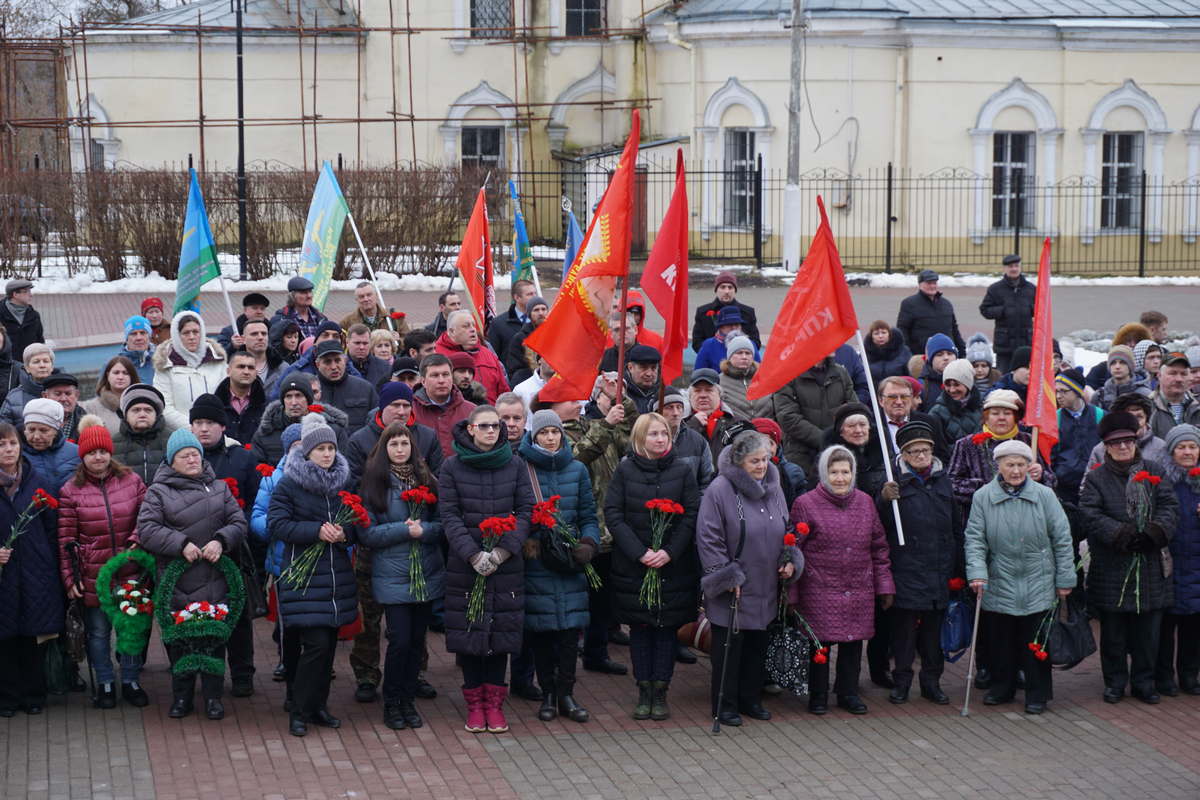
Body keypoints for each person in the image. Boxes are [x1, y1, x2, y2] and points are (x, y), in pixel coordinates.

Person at [138, 428, 246, 721]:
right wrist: (181, 544)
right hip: (177, 581)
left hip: (214, 578)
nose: (192, 459)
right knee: (179, 641)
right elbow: (147, 529)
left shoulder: (219, 488)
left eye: (195, 454)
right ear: (172, 460)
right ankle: (182, 697)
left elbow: (238, 522)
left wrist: (221, 541)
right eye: (185, 455)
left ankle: (213, 697)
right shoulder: (158, 491)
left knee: (214, 638)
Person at [439, 405, 534, 735]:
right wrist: (472, 555)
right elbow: (449, 516)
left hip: (504, 565)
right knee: (471, 631)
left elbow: (525, 511)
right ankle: (474, 705)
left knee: (501, 632)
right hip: (466, 566)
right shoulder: (452, 467)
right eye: (485, 426)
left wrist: (502, 551)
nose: (492, 431)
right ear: (471, 429)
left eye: (496, 426)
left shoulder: (515, 464)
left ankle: (494, 704)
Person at [697, 431, 802, 726]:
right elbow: (709, 537)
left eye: (766, 459)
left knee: (758, 644)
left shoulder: (774, 486)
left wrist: (789, 559)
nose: (762, 466)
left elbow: (787, 528)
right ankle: (725, 704)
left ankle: (750, 698)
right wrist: (726, 576)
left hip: (766, 582)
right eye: (755, 461)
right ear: (739, 461)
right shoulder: (719, 490)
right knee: (730, 648)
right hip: (736, 585)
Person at [964, 439, 1075, 714]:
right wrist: (977, 573)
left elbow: (1062, 538)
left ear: (1029, 466)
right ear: (998, 466)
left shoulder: (1045, 495)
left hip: (1038, 579)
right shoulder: (983, 497)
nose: (1015, 471)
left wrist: (1065, 579)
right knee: (1001, 642)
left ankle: (1037, 694)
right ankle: (1002, 688)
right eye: (1010, 465)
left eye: (1021, 465)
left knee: (1035, 642)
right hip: (999, 578)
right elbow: (975, 539)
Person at [605, 412, 700, 720]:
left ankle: (661, 690)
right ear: (640, 438)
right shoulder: (625, 470)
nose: (660, 439)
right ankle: (643, 689)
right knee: (641, 627)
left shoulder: (682, 471)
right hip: (635, 565)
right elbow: (614, 514)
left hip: (672, 566)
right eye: (653, 434)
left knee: (666, 628)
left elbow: (691, 514)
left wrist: (669, 552)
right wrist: (640, 552)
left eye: (664, 434)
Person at [270, 413, 358, 736]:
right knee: (316, 646)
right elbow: (277, 524)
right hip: (303, 577)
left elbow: (358, 522)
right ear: (307, 453)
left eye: (331, 448)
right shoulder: (290, 484)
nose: (326, 454)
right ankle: (298, 709)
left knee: (329, 647)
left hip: (335, 578)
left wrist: (344, 533)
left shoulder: (343, 483)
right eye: (320, 449)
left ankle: (319, 706)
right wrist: (316, 531)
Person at [1081, 411, 1178, 705]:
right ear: (1106, 446)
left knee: (1147, 634)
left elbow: (1170, 507)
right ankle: (1114, 683)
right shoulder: (1096, 478)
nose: (1123, 447)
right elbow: (1089, 513)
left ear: (1136, 441)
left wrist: (1152, 533)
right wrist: (1121, 534)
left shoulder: (1154, 471)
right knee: (1113, 634)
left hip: (1149, 564)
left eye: (1128, 441)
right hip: (1113, 565)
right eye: (1116, 442)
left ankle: (1143, 683)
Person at [789, 445, 895, 715]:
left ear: (853, 473)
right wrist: (792, 593)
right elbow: (793, 551)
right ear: (823, 473)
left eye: (845, 472)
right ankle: (818, 694)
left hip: (858, 587)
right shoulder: (806, 504)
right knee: (819, 644)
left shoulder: (865, 502)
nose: (840, 478)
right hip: (818, 587)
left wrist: (884, 585)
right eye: (833, 472)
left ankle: (848, 693)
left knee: (852, 643)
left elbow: (879, 547)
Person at [57, 423, 148, 709]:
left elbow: (146, 516)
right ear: (82, 456)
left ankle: (131, 680)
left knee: (130, 629)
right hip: (94, 575)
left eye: (102, 451)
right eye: (91, 453)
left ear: (110, 452)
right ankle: (106, 682)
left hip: (130, 572)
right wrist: (70, 579)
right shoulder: (70, 491)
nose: (98, 457)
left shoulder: (131, 481)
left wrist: (137, 540)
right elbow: (66, 539)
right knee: (98, 633)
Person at [358, 422, 443, 730]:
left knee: (417, 641)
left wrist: (425, 530)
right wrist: (404, 530)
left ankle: (408, 700)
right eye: (393, 444)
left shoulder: (427, 479)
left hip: (425, 572)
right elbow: (367, 533)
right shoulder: (373, 483)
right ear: (384, 448)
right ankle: (392, 701)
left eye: (404, 443)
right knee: (400, 640)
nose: (399, 449)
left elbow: (442, 525)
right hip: (391, 575)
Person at [519, 410, 600, 723]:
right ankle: (548, 694)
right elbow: (517, 513)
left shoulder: (577, 469)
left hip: (570, 561)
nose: (550, 438)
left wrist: (588, 543)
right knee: (542, 632)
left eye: (555, 432)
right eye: (544, 433)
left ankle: (566, 693)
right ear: (534, 436)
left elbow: (589, 515)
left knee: (569, 633)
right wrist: (530, 542)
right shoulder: (522, 468)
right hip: (538, 562)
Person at [878, 422, 960, 705]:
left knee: (932, 636)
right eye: (914, 451)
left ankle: (931, 683)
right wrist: (883, 501)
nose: (921, 456)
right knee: (903, 635)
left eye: (925, 450)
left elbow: (955, 527)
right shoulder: (892, 483)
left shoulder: (943, 481)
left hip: (938, 570)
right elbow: (880, 527)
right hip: (906, 571)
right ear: (903, 455)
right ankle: (901, 683)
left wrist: (957, 568)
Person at [189, 393, 261, 696]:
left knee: (239, 615)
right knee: (201, 613)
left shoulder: (242, 458)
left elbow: (256, 504)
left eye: (210, 423)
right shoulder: (182, 460)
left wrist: (231, 531)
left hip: (234, 551)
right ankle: (208, 672)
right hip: (194, 554)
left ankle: (243, 673)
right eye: (198, 423)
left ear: (223, 426)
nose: (204, 429)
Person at [0, 419, 62, 717]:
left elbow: (52, 529)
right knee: (5, 639)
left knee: (32, 637)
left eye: (12, 443)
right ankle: (8, 697)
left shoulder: (38, 481)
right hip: (4, 576)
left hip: (36, 571)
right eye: (1, 445)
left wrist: (51, 566)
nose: (8, 449)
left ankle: (34, 694)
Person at [1156, 424, 1200, 695]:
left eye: (1193, 446)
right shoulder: (1161, 481)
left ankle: (1189, 675)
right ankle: (1163, 676)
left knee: (1193, 626)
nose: (1187, 452)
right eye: (1181, 447)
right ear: (1171, 452)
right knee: (1165, 626)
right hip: (1168, 563)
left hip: (1196, 565)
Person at [770, 355, 855, 477]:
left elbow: (853, 410)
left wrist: (839, 438)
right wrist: (825, 439)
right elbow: (787, 417)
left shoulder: (840, 372)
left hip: (838, 452)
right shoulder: (787, 375)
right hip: (802, 455)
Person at [346, 381, 442, 480]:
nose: (401, 412)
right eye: (395, 405)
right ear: (382, 407)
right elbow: (355, 482)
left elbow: (438, 477)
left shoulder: (428, 437)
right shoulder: (359, 441)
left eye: (406, 406)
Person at [154, 310, 229, 430]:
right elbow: (165, 407)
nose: (192, 337)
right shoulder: (165, 365)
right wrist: (194, 428)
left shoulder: (218, 361)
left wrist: (214, 426)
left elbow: (228, 400)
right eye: (186, 333)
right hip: (181, 433)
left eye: (195, 332)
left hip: (216, 431)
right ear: (176, 336)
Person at [251, 376, 348, 465]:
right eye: (288, 396)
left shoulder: (332, 430)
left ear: (309, 399)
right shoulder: (266, 432)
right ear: (283, 401)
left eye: (299, 395)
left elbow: (342, 468)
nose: (294, 402)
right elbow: (256, 469)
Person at [1050, 367, 1104, 510]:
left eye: (1064, 391)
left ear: (1077, 391)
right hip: (1065, 486)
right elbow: (1051, 455)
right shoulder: (1055, 419)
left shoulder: (1100, 415)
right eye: (1057, 391)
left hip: (1096, 484)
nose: (1058, 396)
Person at [435, 310, 509, 404]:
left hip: (490, 411)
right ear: (452, 331)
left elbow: (503, 390)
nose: (473, 329)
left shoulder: (487, 353)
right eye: (466, 326)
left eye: (473, 325)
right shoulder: (437, 354)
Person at [979, 254, 1036, 373]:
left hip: (1026, 342)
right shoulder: (995, 289)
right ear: (1004, 268)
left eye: (1016, 266)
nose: (1014, 269)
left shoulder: (1031, 288)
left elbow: (1040, 310)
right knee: (1003, 375)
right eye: (1010, 266)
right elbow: (985, 310)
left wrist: (1031, 309)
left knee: (1026, 375)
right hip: (1004, 344)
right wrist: (1003, 310)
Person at [411, 354, 475, 458]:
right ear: (423, 381)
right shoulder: (410, 411)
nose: (441, 380)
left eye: (445, 375)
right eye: (435, 375)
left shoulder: (472, 411)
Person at [1087, 393, 1167, 472]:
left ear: (1147, 419)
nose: (1135, 422)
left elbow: (1167, 477)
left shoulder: (1160, 447)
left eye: (1139, 417)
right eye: (1129, 417)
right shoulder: (1102, 449)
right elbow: (1089, 478)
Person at [876, 376, 949, 462]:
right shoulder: (872, 425)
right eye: (892, 397)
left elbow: (942, 458)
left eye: (904, 397)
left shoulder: (929, 422)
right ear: (881, 400)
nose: (899, 402)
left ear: (911, 399)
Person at [895, 270, 965, 358]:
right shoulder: (909, 304)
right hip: (921, 356)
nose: (932, 286)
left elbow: (954, 330)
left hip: (947, 356)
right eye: (928, 283)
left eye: (934, 283)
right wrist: (908, 355)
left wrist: (962, 352)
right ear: (920, 284)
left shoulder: (946, 304)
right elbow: (902, 330)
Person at [311, 340, 377, 433]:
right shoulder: (309, 389)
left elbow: (375, 424)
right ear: (317, 365)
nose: (334, 367)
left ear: (345, 361)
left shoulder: (365, 388)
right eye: (327, 362)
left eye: (337, 360)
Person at [685, 368, 744, 471]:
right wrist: (693, 425)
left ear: (719, 394)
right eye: (697, 391)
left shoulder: (737, 423)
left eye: (709, 390)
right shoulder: (680, 423)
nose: (703, 395)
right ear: (689, 396)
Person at [112, 385, 171, 486]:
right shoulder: (113, 443)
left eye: (148, 410)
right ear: (126, 415)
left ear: (156, 414)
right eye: (136, 410)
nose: (142, 414)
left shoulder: (172, 440)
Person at [692, 271, 760, 352]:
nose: (726, 291)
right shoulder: (703, 312)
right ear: (716, 290)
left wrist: (739, 352)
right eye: (722, 287)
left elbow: (756, 342)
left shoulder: (748, 313)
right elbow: (697, 343)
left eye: (730, 287)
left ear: (735, 290)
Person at [21, 398, 79, 492]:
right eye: (31, 430)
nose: (36, 436)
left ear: (56, 430)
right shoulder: (15, 455)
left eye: (43, 430)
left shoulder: (76, 454)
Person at [213, 351, 268, 446]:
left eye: (251, 368)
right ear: (228, 371)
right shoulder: (215, 405)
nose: (246, 372)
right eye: (241, 367)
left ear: (256, 373)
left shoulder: (267, 406)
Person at [1085, 321, 1153, 391]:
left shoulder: (1153, 368)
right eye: (1128, 341)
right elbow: (1086, 388)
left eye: (1138, 341)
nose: (1133, 345)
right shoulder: (1101, 370)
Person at [0, 342, 56, 426]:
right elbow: (4, 428)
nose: (42, 365)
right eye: (36, 362)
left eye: (46, 361)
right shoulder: (14, 396)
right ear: (27, 368)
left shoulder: (63, 391)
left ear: (52, 367)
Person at [928, 358, 982, 443]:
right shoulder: (937, 412)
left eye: (956, 385)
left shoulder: (982, 407)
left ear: (968, 385)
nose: (952, 390)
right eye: (948, 385)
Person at [1149, 352, 1200, 438]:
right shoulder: (1148, 407)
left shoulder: (1197, 405)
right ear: (1159, 375)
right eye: (1172, 373)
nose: (1179, 379)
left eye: (1183, 374)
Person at [81, 356, 137, 434]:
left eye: (125, 373)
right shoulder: (91, 407)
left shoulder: (143, 403)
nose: (120, 377)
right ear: (107, 375)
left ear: (132, 376)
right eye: (116, 373)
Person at [720, 335, 770, 420]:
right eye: (739, 353)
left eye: (748, 353)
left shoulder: (765, 379)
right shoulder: (720, 381)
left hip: (767, 426)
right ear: (730, 356)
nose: (744, 357)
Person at [694, 306, 757, 373]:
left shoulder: (749, 344)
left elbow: (758, 369)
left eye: (737, 324)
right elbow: (699, 372)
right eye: (729, 325)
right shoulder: (709, 345)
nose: (733, 328)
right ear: (721, 327)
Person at [505, 296, 550, 386]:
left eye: (543, 309)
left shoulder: (556, 335)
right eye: (536, 310)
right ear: (529, 314)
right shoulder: (520, 339)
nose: (541, 313)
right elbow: (515, 369)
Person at [487, 279, 536, 360]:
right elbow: (493, 356)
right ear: (517, 297)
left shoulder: (542, 322)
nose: (535, 297)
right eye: (530, 294)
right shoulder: (498, 324)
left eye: (535, 293)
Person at [273, 276, 328, 340]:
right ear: (292, 296)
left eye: (310, 291)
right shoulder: (282, 319)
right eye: (304, 292)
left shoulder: (321, 318)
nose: (309, 296)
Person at [0, 279, 44, 361]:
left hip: (28, 364)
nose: (31, 295)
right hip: (5, 365)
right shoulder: (1, 314)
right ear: (15, 294)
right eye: (27, 292)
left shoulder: (34, 315)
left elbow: (39, 341)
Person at [340, 282, 405, 335]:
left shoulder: (393, 318)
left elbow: (407, 340)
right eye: (361, 297)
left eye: (369, 295)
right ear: (356, 299)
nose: (366, 299)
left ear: (376, 295)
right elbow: (341, 342)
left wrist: (398, 340)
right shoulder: (347, 322)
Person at [1096, 345, 1145, 411]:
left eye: (1122, 362)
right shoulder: (1099, 396)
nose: (1117, 367)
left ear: (1130, 366)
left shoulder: (1144, 394)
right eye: (1113, 363)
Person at [346, 324, 393, 390]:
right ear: (347, 343)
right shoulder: (340, 367)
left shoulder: (385, 368)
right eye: (357, 343)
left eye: (365, 343)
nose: (361, 347)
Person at [919, 333, 958, 408]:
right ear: (931, 360)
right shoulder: (922, 386)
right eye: (939, 354)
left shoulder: (966, 382)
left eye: (950, 353)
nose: (946, 358)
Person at [117, 315, 156, 384]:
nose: (139, 338)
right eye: (133, 334)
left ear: (149, 336)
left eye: (143, 333)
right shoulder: (115, 365)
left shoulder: (162, 361)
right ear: (127, 339)